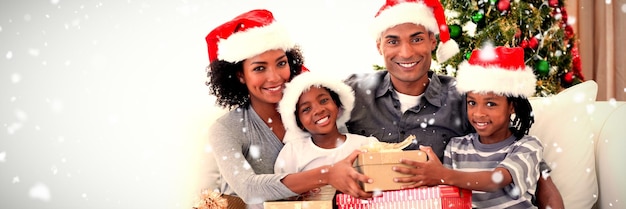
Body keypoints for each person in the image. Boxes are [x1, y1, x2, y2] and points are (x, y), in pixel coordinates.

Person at [344, 0, 564, 208]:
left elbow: (535, 173)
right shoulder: (351, 94)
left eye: (417, 39)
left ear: (433, 40)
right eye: (393, 41)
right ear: (379, 46)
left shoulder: (464, 97)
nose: (406, 52)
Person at [204, 9, 371, 208]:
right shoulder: (225, 129)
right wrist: (327, 174)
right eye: (259, 68)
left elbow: (345, 155)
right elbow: (249, 189)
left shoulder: (318, 113)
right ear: (240, 75)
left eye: (281, 63)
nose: (275, 77)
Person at [406, 46, 543, 208]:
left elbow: (496, 180)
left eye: (490, 104)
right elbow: (450, 197)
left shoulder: (528, 146)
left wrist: (442, 175)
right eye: (472, 102)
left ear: (512, 107)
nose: (478, 113)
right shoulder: (456, 147)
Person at [273, 72, 380, 201]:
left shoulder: (366, 145)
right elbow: (280, 194)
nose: (319, 110)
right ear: (299, 122)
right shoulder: (293, 152)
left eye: (324, 100)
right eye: (306, 109)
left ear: (337, 104)